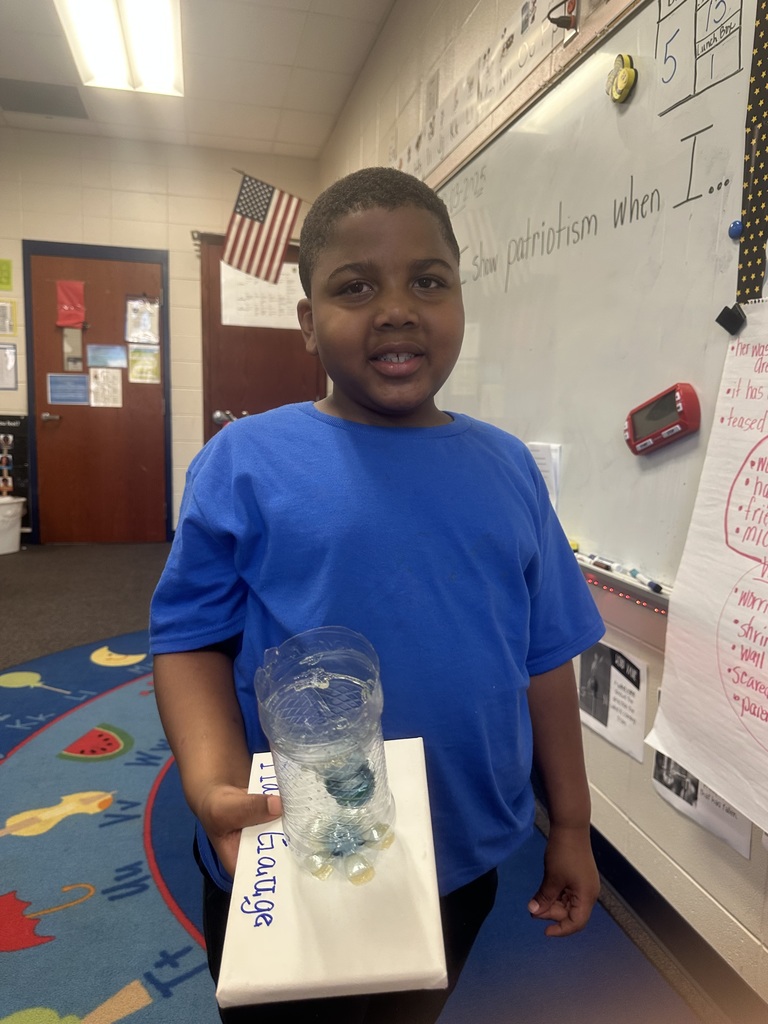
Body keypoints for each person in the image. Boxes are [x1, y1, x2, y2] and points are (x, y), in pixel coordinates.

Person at [150, 166, 605, 1023]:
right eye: (355, 287)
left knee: (411, 1008)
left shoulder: (509, 466)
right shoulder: (245, 462)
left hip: (457, 850)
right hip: (289, 841)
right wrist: (212, 786)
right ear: (307, 322)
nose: (397, 309)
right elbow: (189, 641)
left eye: (428, 282)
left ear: (460, 299)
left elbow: (546, 656)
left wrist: (573, 826)